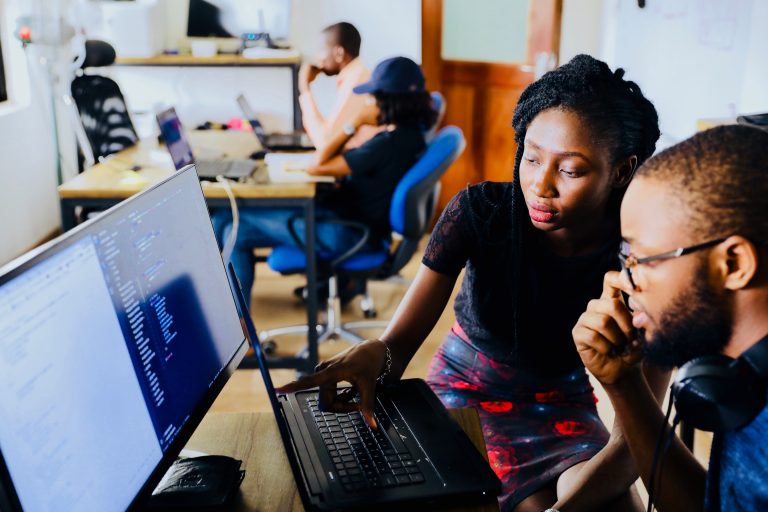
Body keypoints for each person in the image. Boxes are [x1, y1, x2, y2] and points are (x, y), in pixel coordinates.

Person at [278, 54, 665, 511]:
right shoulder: (481, 213)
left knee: (618, 506)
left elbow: (636, 442)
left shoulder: (644, 260)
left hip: (561, 408)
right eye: (532, 156)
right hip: (464, 393)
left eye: (570, 169)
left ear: (621, 170)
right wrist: (375, 355)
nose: (540, 184)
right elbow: (397, 346)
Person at [573, 125, 768, 512]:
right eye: (623, 257)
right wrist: (624, 384)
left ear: (733, 264)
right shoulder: (739, 377)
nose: (621, 281)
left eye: (640, 259)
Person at [216, 56, 436, 307]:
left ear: (387, 100)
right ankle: (236, 322)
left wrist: (354, 123)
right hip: (355, 225)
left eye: (372, 96)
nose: (367, 101)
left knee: (231, 224)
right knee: (227, 222)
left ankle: (236, 326)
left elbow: (317, 164)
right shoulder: (411, 136)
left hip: (346, 233)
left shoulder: (387, 145)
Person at [299, 21, 379, 151]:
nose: (318, 58)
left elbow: (325, 143)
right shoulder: (355, 75)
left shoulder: (357, 82)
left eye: (321, 50)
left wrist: (304, 88)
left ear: (339, 54)